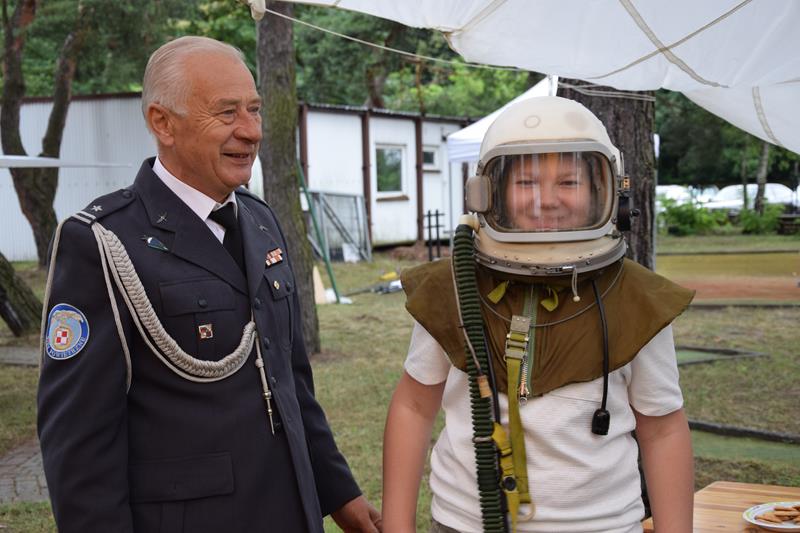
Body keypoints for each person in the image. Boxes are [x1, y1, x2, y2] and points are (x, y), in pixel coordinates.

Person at [38, 36, 381, 533]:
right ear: (163, 123)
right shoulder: (103, 242)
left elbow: (290, 383)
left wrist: (339, 492)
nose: (251, 131)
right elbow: (79, 444)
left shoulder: (261, 221)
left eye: (255, 110)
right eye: (226, 114)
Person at [383, 96, 694, 533]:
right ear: (488, 193)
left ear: (606, 191)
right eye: (526, 182)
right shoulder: (452, 287)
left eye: (568, 182)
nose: (546, 200)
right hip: (464, 523)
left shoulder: (636, 297)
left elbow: (663, 430)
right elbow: (414, 407)